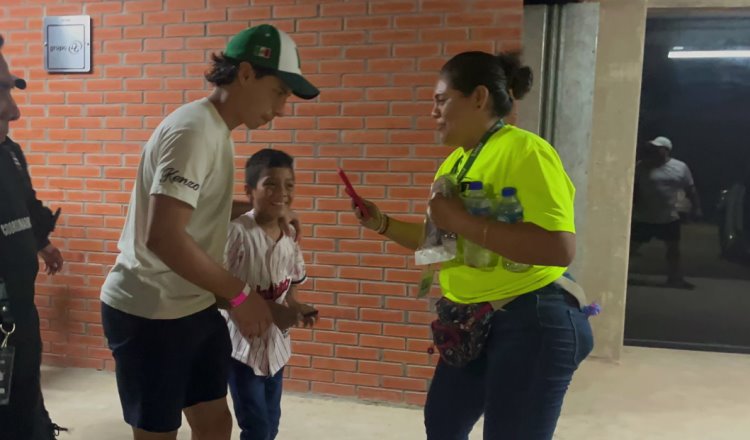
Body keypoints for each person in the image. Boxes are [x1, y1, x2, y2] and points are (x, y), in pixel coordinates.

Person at [352, 51, 594, 440]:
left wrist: (462, 220)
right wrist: (380, 223)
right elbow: (440, 244)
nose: (433, 111)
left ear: (479, 98)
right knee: (443, 423)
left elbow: (559, 248)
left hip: (531, 317)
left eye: (441, 99)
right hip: (473, 322)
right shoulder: (453, 164)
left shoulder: (524, 151)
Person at [99, 24, 319, 440]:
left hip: (192, 304)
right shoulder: (194, 132)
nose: (282, 109)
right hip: (150, 311)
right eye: (279, 92)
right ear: (248, 74)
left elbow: (195, 209)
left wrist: (262, 212)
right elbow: (162, 235)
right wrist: (240, 294)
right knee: (158, 432)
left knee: (216, 423)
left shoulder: (215, 130)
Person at [223, 149, 317, 440]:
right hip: (242, 351)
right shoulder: (237, 233)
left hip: (276, 349)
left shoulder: (289, 236)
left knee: (272, 421)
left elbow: (292, 284)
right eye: (271, 184)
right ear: (249, 191)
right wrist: (261, 307)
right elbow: (218, 286)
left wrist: (296, 306)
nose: (282, 193)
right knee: (256, 427)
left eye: (289, 185)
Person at [0, 34, 67, 439]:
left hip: (18, 322)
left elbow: (24, 205)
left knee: (26, 412)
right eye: (1, 93)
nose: (15, 110)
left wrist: (41, 242)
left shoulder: (9, 153)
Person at [631, 136, 702, 289]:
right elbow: (633, 188)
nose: (654, 151)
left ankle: (675, 279)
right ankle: (618, 276)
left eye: (658, 148)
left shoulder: (680, 167)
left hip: (668, 216)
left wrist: (697, 208)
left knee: (673, 250)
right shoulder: (641, 166)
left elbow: (691, 189)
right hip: (643, 216)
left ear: (666, 151)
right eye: (653, 148)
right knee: (630, 248)